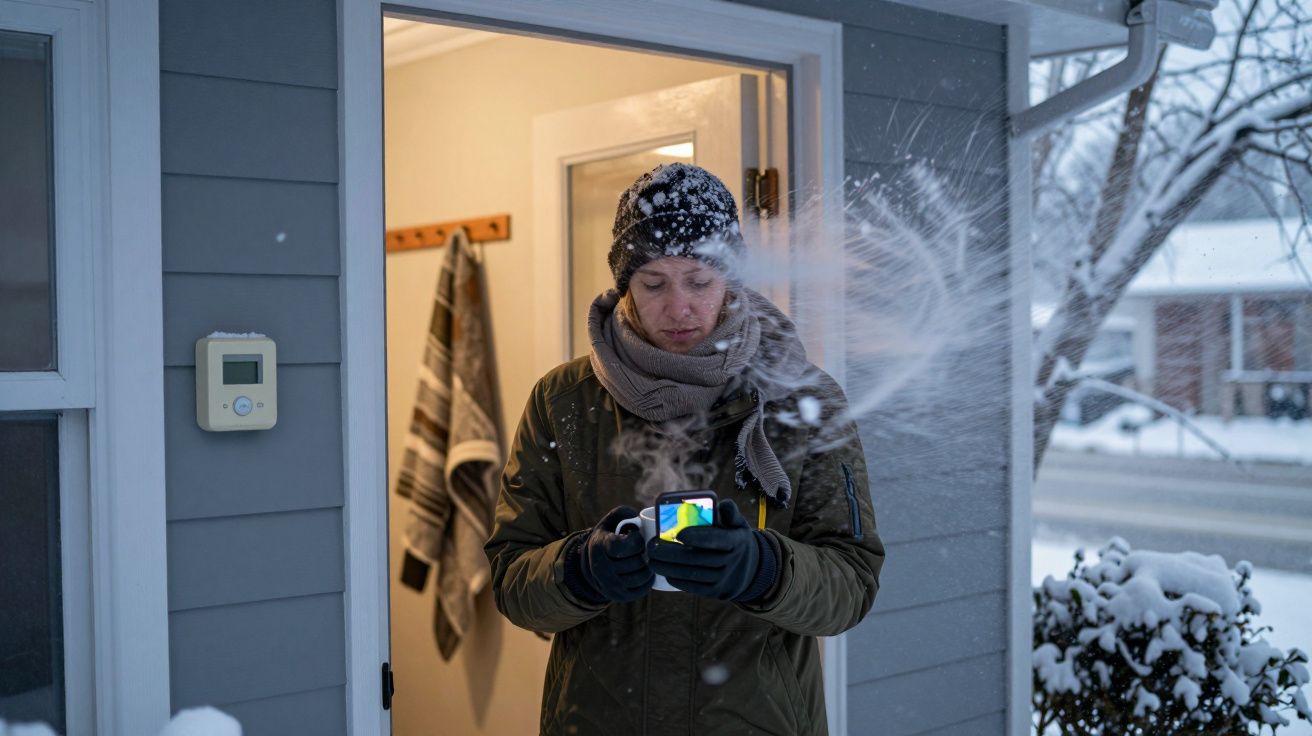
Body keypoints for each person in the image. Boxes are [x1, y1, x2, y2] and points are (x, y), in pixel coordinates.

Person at [485, 162, 885, 735]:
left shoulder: (802, 399)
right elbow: (511, 580)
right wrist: (578, 571)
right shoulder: (564, 402)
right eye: (654, 283)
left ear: (732, 281)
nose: (679, 308)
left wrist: (764, 569)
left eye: (699, 281)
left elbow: (852, 585)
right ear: (625, 285)